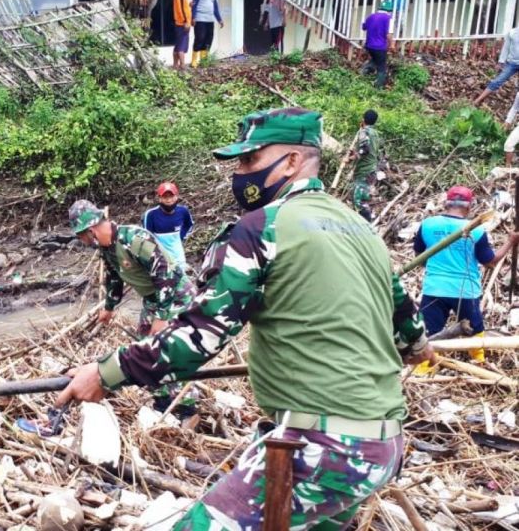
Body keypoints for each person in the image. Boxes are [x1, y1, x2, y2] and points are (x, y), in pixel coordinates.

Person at [58, 107, 432, 530]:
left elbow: (200, 335)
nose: (240, 173)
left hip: (323, 445)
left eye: (250, 160)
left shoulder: (263, 227)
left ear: (291, 161)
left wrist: (105, 372)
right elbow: (409, 328)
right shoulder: (361, 229)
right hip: (385, 444)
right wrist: (420, 347)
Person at [413, 186, 519, 365]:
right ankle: (479, 362)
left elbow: (419, 256)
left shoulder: (427, 225)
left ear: (446, 204)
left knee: (429, 332)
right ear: (469, 207)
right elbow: (490, 261)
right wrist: (510, 241)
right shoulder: (476, 230)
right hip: (465, 290)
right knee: (475, 328)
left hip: (434, 287)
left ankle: (423, 371)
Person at [68, 200, 195, 338]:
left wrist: (162, 316)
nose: (82, 241)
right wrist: (109, 307)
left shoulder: (134, 238)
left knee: (169, 344)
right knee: (143, 345)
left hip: (176, 295)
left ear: (91, 231)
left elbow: (163, 270)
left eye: (81, 236)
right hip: (152, 300)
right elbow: (114, 277)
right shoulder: (106, 247)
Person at [141, 182, 195, 269]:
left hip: (178, 256)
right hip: (160, 258)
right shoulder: (151, 215)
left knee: (181, 275)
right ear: (159, 198)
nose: (169, 200)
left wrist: (180, 237)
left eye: (171, 196)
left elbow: (189, 225)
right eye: (165, 197)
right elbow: (147, 237)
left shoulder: (183, 211)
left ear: (176, 196)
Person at [350, 109, 383, 222]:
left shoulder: (364, 132)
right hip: (372, 169)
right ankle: (365, 221)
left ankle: (366, 223)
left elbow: (365, 150)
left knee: (358, 200)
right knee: (363, 196)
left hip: (365, 170)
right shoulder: (375, 133)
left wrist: (352, 158)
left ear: (363, 119)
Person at [474, 25, 519, 106]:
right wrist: (501, 62)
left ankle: (515, 108)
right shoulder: (512, 33)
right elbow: (506, 48)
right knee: (497, 81)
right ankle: (477, 101)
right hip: (512, 63)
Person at [190, 0, 224, 68]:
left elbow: (215, 8)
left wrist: (219, 20)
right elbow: (194, 5)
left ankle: (203, 60)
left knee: (208, 39)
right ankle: (194, 61)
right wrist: (193, 17)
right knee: (199, 38)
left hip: (210, 20)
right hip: (200, 19)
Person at [361, 1, 393, 89]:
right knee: (382, 68)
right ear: (389, 11)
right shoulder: (388, 18)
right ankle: (378, 88)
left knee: (375, 59)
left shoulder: (371, 16)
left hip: (369, 46)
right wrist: (392, 45)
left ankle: (364, 72)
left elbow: (364, 27)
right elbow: (389, 35)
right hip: (380, 47)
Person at [172, 0, 192, 70]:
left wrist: (189, 5)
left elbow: (183, 8)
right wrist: (185, 22)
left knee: (178, 46)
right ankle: (183, 65)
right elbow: (181, 11)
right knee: (181, 47)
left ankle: (175, 65)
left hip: (181, 24)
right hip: (182, 24)